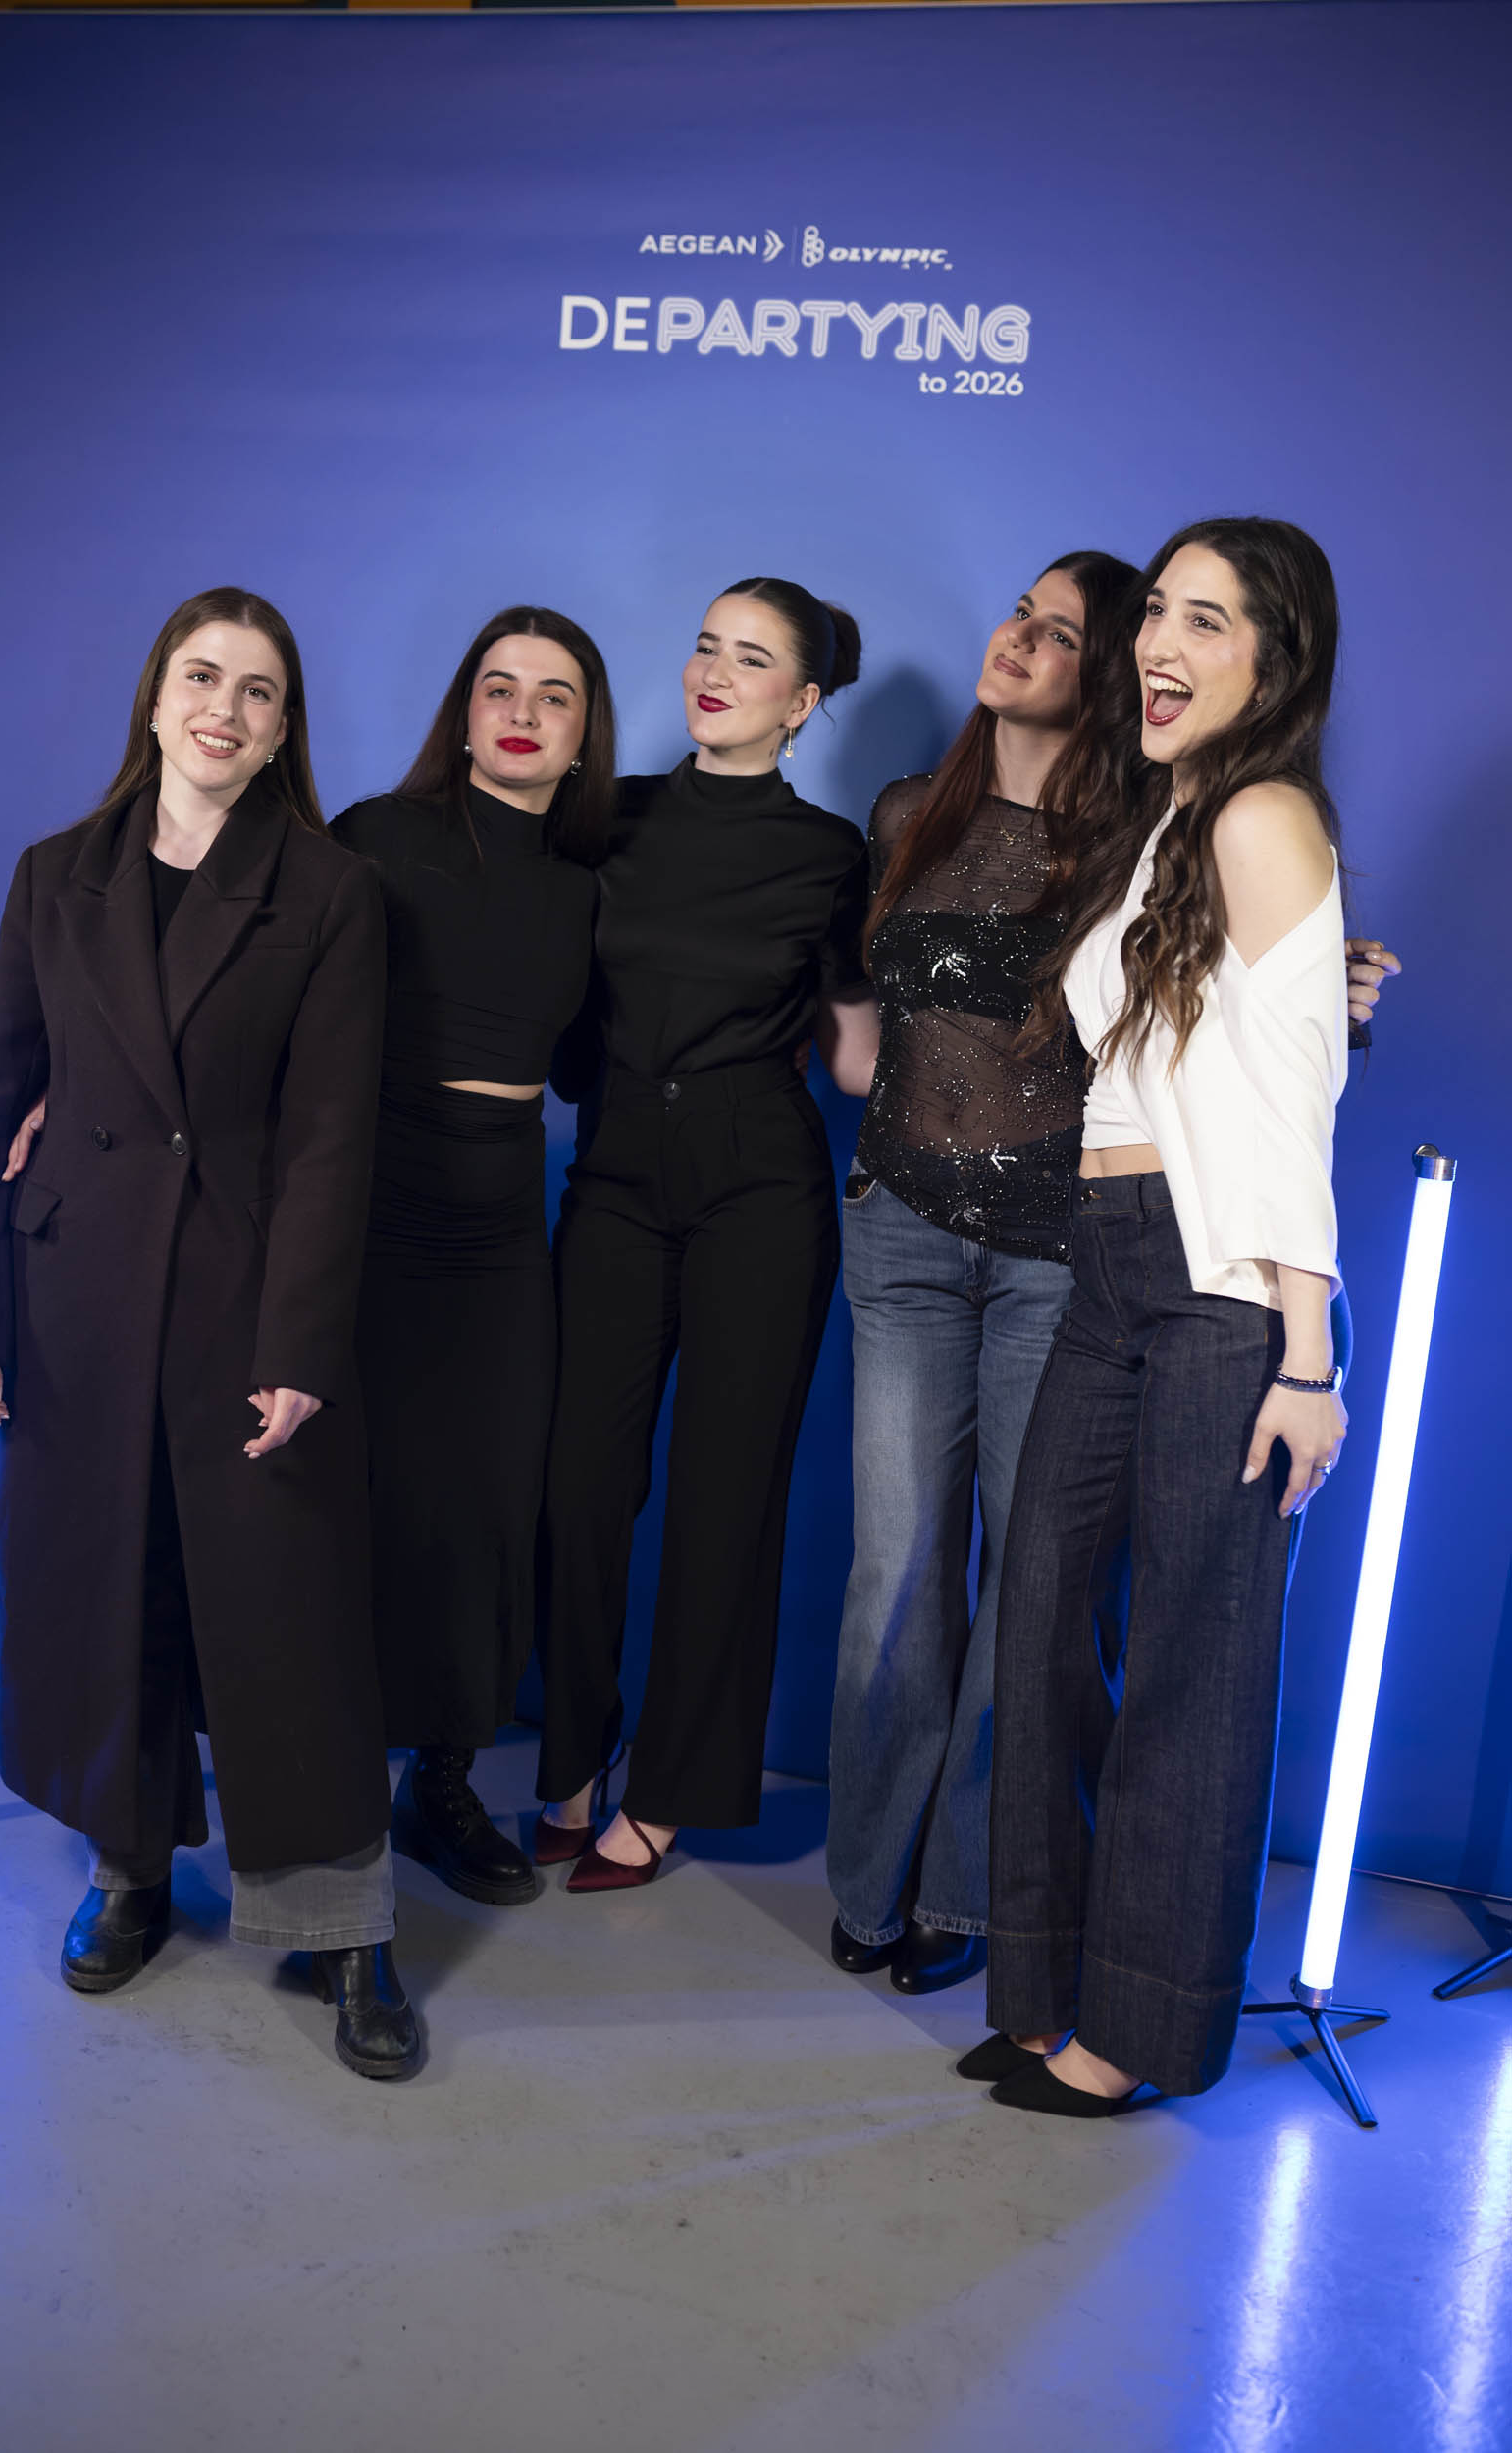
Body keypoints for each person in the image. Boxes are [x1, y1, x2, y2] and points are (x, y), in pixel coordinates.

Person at [825, 560, 1400, 1999]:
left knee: (1075, 1614)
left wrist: (1309, 1349)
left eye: (1069, 629)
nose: (1026, 639)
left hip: (1088, 1252)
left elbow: (1258, 1063)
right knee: (934, 1581)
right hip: (955, 1237)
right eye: (1151, 616)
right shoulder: (944, 817)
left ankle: (1000, 1919)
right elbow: (890, 1023)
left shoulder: (1187, 825)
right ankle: (910, 1906)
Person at [0, 587, 419, 2081]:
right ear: (155, 698)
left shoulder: (329, 892)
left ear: (281, 733)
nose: (226, 708)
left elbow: (332, 1136)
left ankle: (344, 1928)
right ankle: (130, 1871)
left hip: (244, 1295)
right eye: (203, 677)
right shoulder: (53, 875)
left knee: (288, 1617)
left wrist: (301, 1343)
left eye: (258, 691)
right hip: (73, 1291)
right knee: (104, 1597)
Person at [976, 517, 1354, 2114]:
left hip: (1219, 1293)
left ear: (1275, 660)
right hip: (1111, 1262)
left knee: (1195, 1663)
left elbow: (1294, 1104)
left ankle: (1139, 2029)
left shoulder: (1261, 813)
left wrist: (1308, 1359)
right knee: (1046, 1614)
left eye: (1209, 621)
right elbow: (1197, 1036)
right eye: (1159, 616)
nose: (1160, 646)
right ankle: (1045, 1981)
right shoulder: (1174, 819)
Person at [536, 577, 877, 1888]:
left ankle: (670, 1792)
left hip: (759, 1186)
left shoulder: (831, 855)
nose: (713, 674)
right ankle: (570, 1754)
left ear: (802, 702)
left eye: (751, 660)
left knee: (725, 1500)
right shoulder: (607, 818)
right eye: (704, 647)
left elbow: (856, 1062)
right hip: (616, 1167)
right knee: (578, 1483)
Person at [327, 610, 613, 1905]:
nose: (523, 712)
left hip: (499, 1222)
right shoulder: (377, 837)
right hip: (368, 1197)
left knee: (489, 1504)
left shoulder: (588, 888)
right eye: (500, 687)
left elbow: (591, 1064)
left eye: (555, 696)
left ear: (584, 735)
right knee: (353, 1494)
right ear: (463, 711)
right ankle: (326, 1776)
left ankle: (438, 1781)